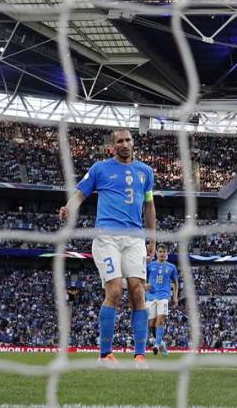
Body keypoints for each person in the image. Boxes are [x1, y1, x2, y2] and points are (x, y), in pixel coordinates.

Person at [59, 128, 156, 367]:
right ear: (111, 147)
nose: (124, 144)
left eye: (128, 140)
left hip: (135, 238)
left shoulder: (146, 171)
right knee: (114, 291)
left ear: (133, 143)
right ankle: (105, 354)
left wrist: (153, 238)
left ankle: (140, 354)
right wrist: (69, 208)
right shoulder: (99, 169)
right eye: (119, 141)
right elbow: (80, 194)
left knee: (137, 291)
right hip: (106, 237)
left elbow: (149, 206)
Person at [146, 245, 179, 355]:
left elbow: (176, 283)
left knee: (160, 320)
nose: (162, 253)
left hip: (164, 296)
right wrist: (145, 285)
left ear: (167, 253)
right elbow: (142, 279)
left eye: (164, 251)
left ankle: (156, 345)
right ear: (156, 252)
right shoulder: (150, 265)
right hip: (150, 297)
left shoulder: (171, 267)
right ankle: (161, 343)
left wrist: (175, 296)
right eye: (160, 251)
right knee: (151, 324)